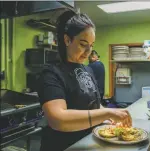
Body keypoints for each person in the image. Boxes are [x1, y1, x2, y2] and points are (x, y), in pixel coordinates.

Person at [37, 11, 132, 151]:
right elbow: (58, 119)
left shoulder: (87, 70)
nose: (89, 51)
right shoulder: (51, 73)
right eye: (83, 44)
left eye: (92, 45)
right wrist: (106, 113)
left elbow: (94, 106)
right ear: (67, 40)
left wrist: (110, 116)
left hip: (88, 144)